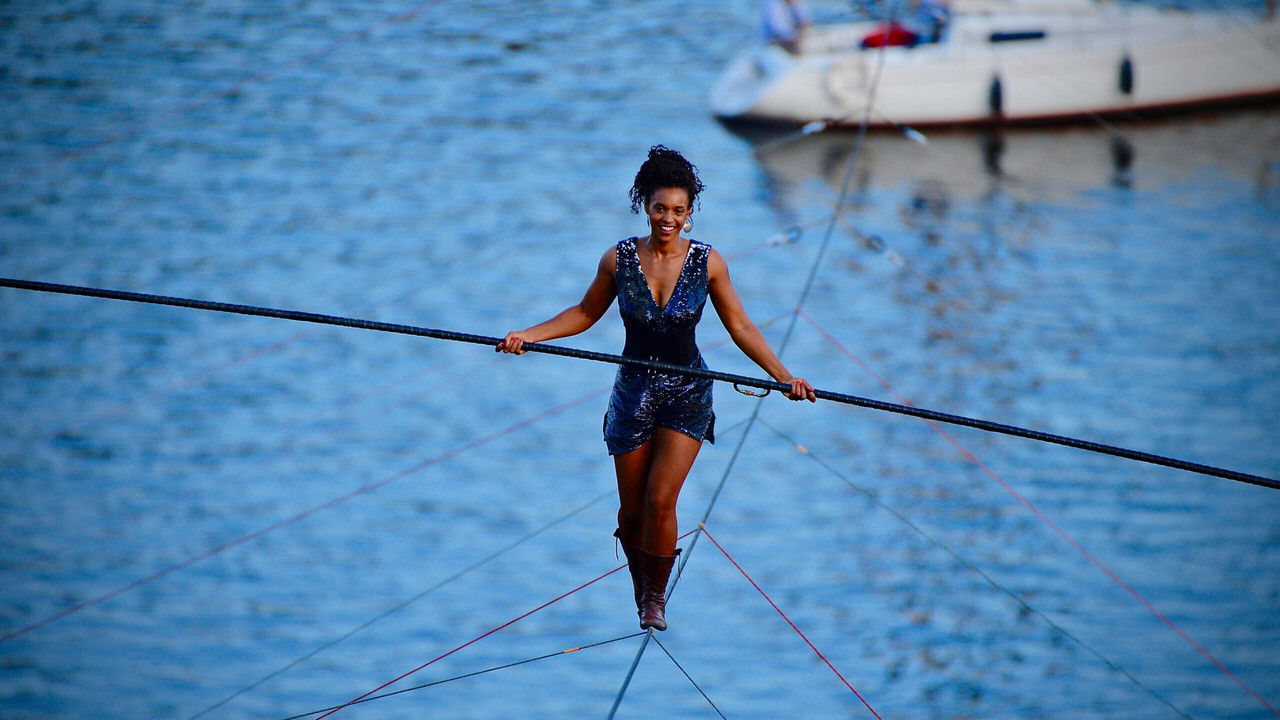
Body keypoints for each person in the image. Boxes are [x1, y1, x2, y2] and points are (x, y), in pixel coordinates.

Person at [497, 146, 815, 632]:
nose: (669, 218)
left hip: (688, 391)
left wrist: (784, 377)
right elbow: (584, 314)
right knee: (631, 512)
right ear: (646, 206)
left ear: (691, 214)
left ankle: (654, 598)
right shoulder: (619, 258)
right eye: (661, 208)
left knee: (661, 501)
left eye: (679, 210)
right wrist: (529, 335)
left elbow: (742, 328)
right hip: (634, 390)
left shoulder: (709, 263)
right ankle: (639, 581)